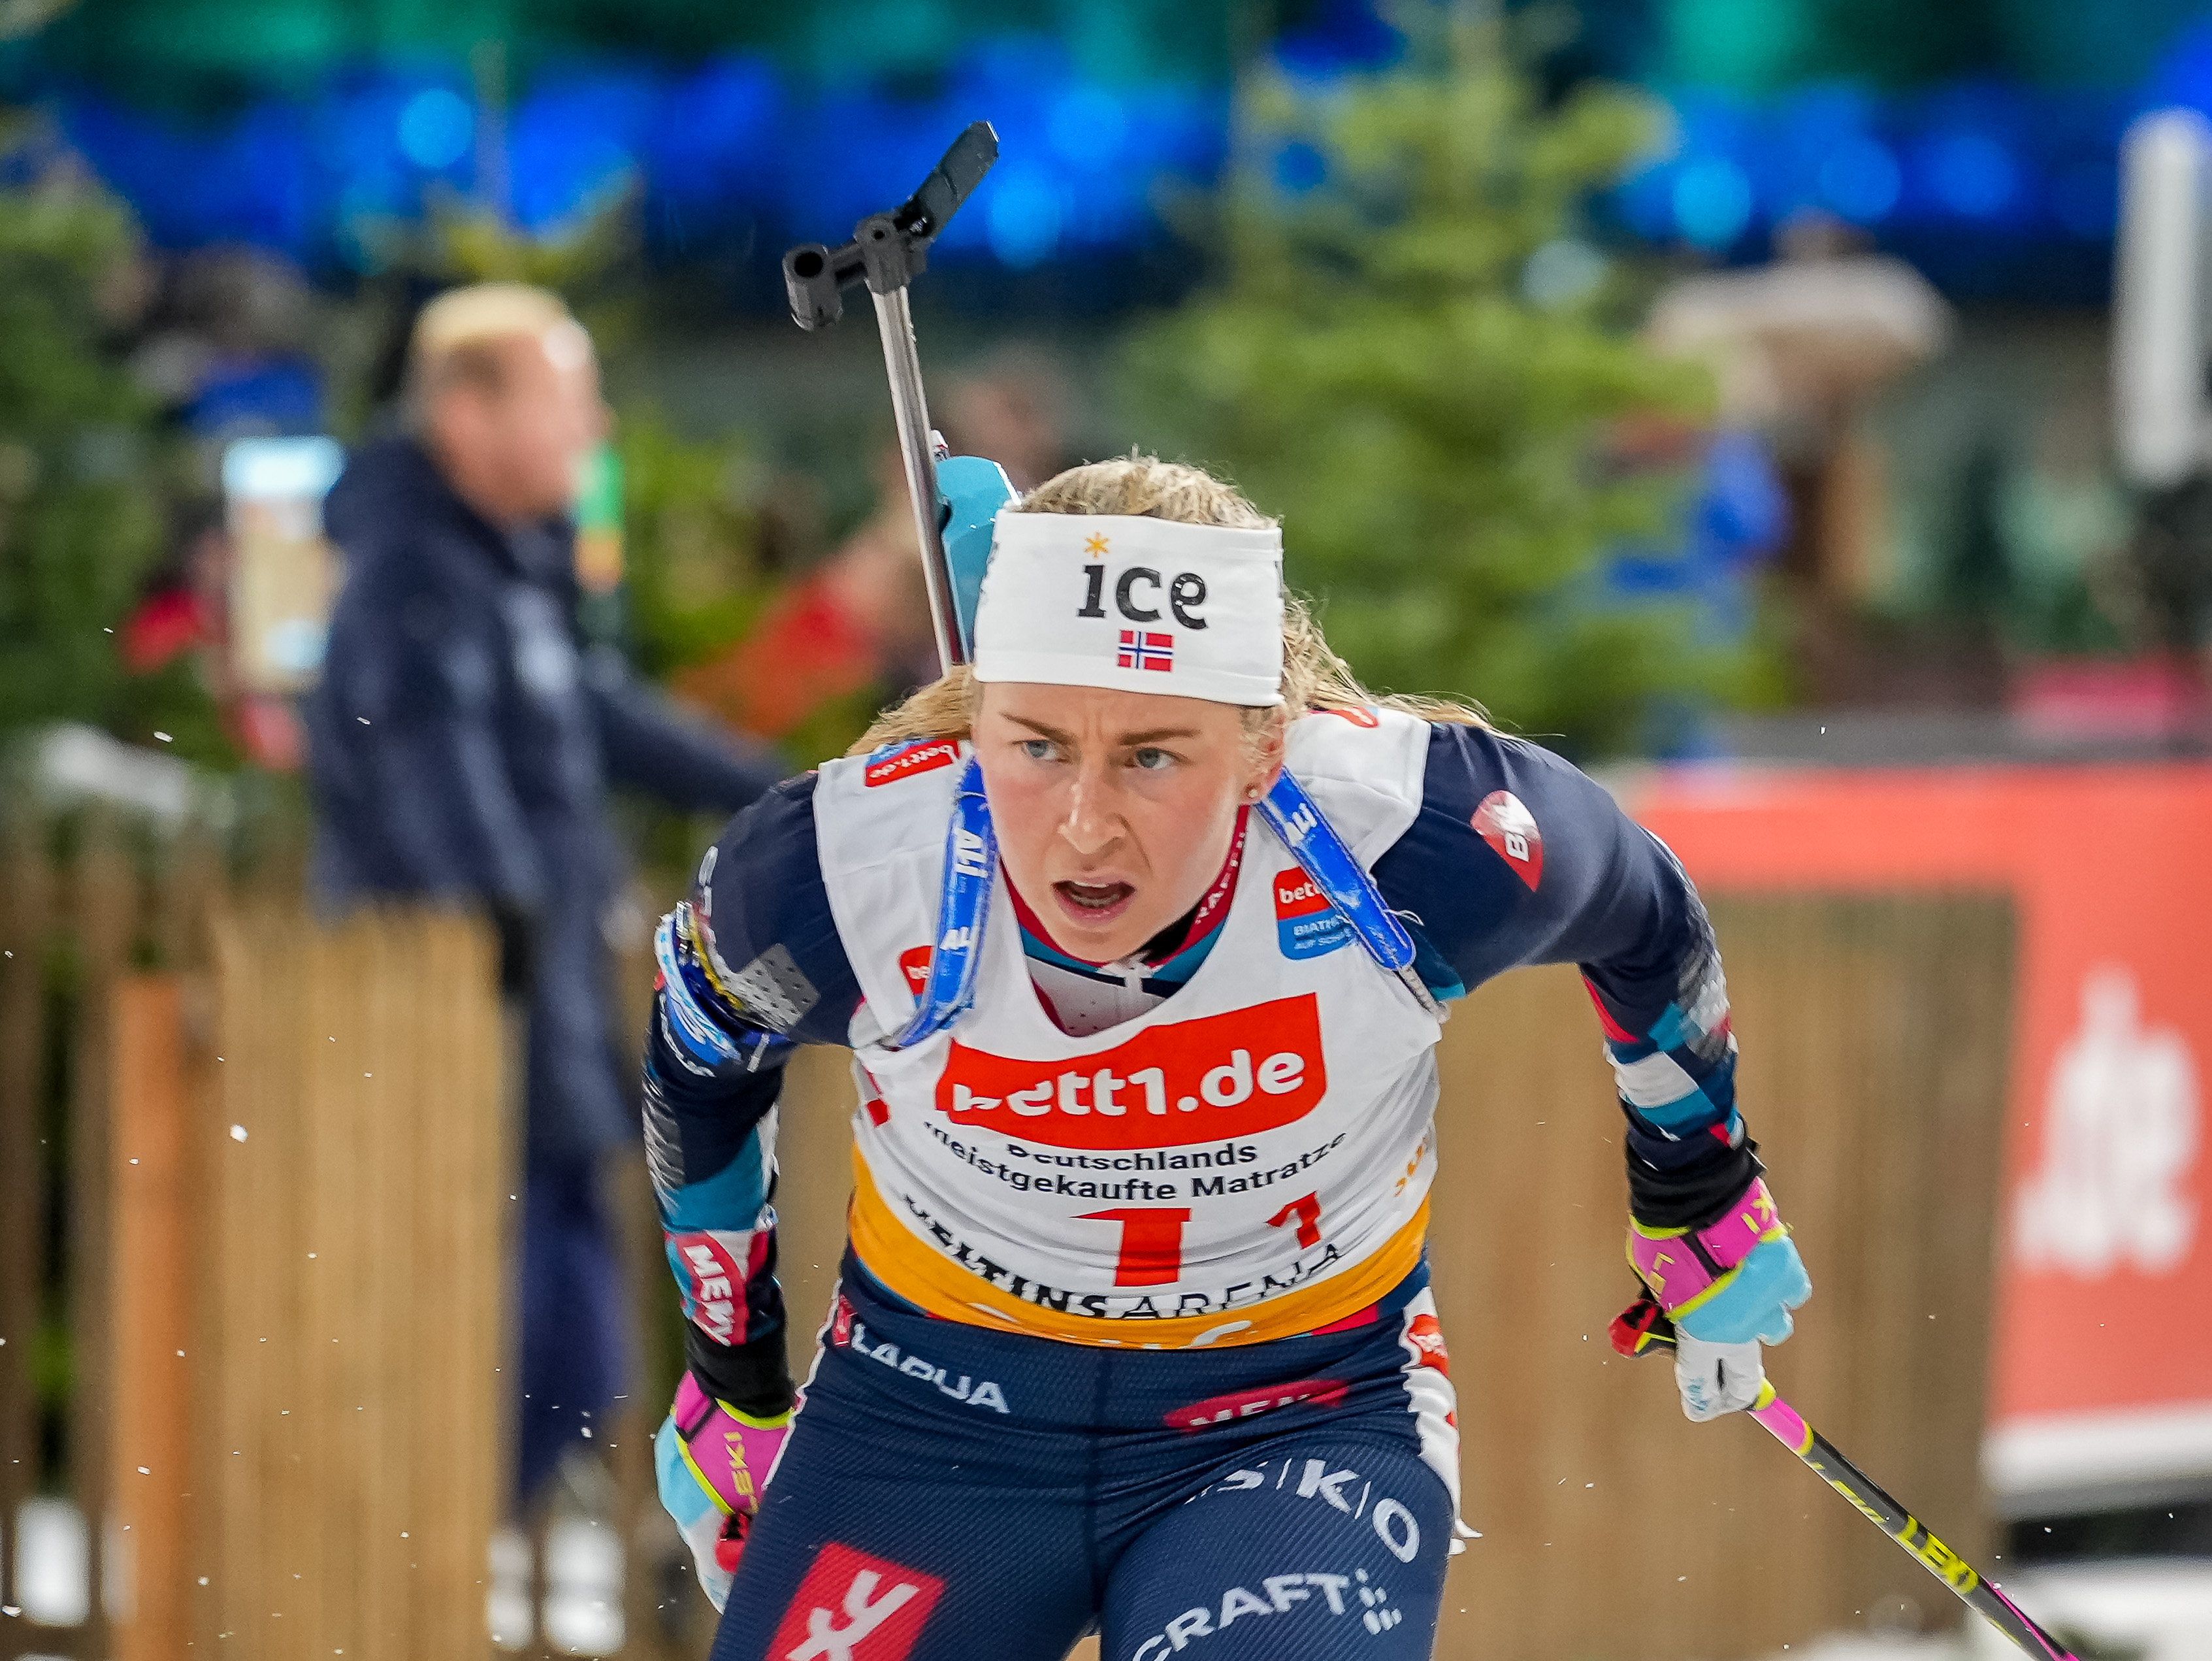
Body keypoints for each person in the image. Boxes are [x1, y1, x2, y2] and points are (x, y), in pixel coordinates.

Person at [642, 456, 1812, 1658]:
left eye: (1153, 756)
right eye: (1036, 745)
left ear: (1264, 750)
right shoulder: (849, 867)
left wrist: (1697, 1191)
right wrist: (730, 1374)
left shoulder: (1405, 836)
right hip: (926, 1417)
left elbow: (1641, 908)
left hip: (1296, 1414)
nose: (1085, 824)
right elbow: (701, 1054)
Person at [302, 283, 785, 1506]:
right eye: (568, 396)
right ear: (467, 415)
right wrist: (515, 934)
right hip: (469, 1027)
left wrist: (783, 794)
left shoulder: (498, 573)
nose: (594, 424)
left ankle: (481, 1539)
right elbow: (431, 776)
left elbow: (597, 717)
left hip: (530, 1015)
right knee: (520, 1351)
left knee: (571, 1350)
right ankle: (449, 1553)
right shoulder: (416, 577)